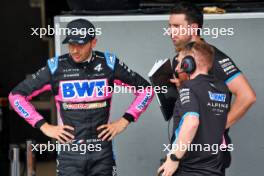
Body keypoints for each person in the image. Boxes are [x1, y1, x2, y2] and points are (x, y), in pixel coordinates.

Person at [9, 19, 154, 176]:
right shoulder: (56, 67)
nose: (75, 50)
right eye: (71, 44)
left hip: (102, 154)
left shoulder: (109, 64)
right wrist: (44, 126)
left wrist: (125, 120)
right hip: (70, 155)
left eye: (80, 45)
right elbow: (15, 96)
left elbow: (147, 90)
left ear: (93, 42)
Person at [168, 1, 256, 171]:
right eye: (170, 26)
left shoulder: (213, 58)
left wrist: (215, 128)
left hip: (209, 155)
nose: (171, 31)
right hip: (186, 147)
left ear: (193, 28)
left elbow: (247, 96)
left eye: (177, 26)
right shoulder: (180, 60)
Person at [158, 41, 231, 176]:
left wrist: (174, 158)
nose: (177, 68)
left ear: (188, 63)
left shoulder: (189, 88)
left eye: (180, 62)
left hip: (188, 169)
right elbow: (205, 107)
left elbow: (192, 122)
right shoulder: (223, 89)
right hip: (214, 169)